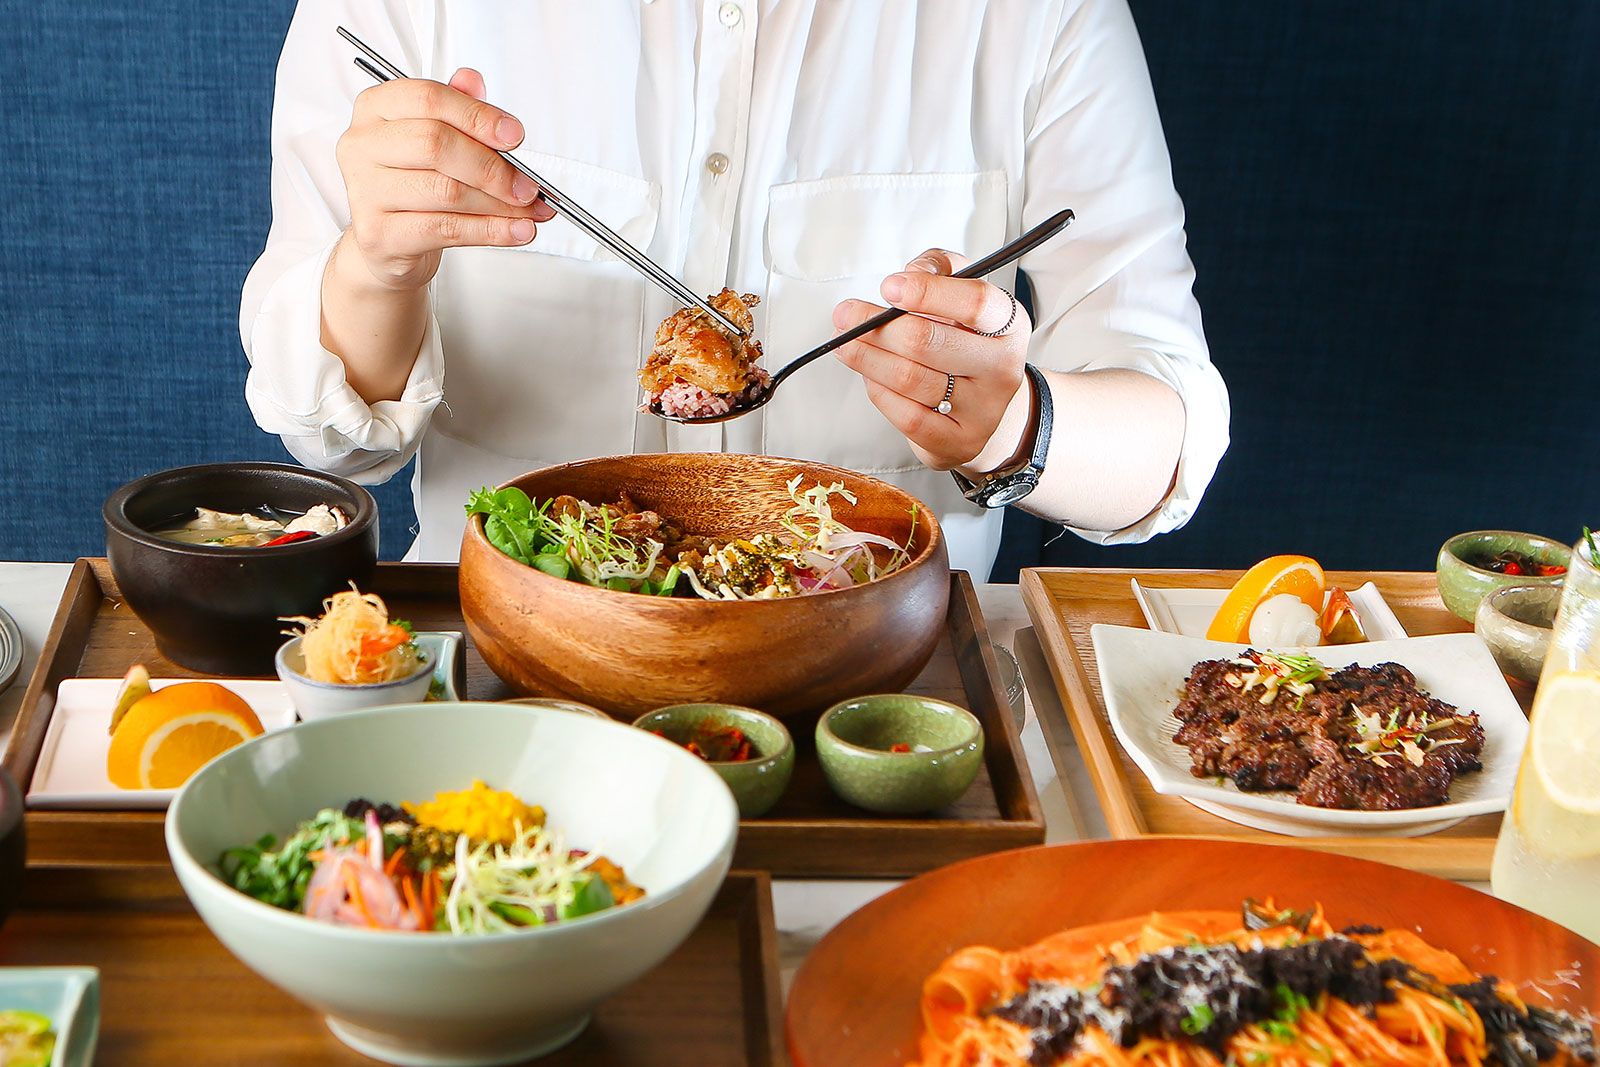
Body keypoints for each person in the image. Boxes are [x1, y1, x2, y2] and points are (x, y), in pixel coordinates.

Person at [242, 0, 1229, 574]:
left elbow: (1168, 443)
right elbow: (330, 441)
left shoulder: (1037, 19)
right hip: (503, 665)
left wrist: (1011, 427)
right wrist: (380, 268)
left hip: (883, 689)